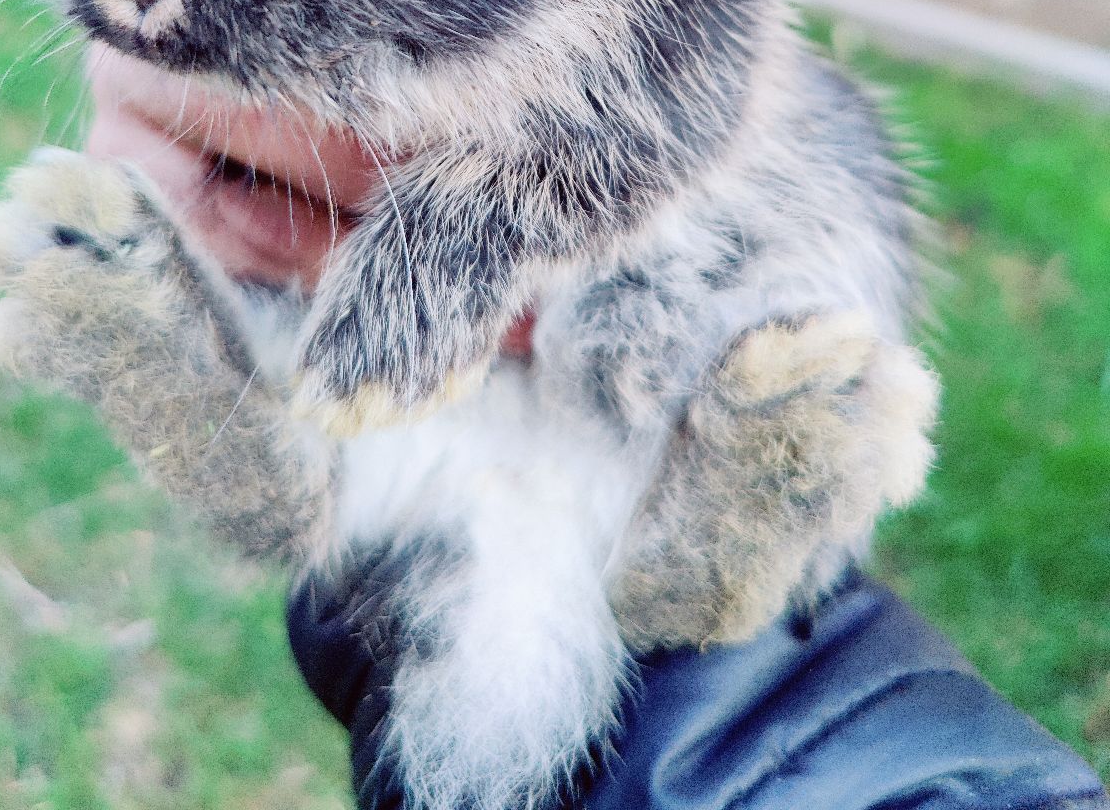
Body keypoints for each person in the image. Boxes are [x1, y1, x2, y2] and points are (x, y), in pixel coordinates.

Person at [87, 49, 1109, 810]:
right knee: (368, 424)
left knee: (747, 334)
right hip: (493, 477)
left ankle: (731, 502)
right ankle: (250, 405)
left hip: (656, 358)